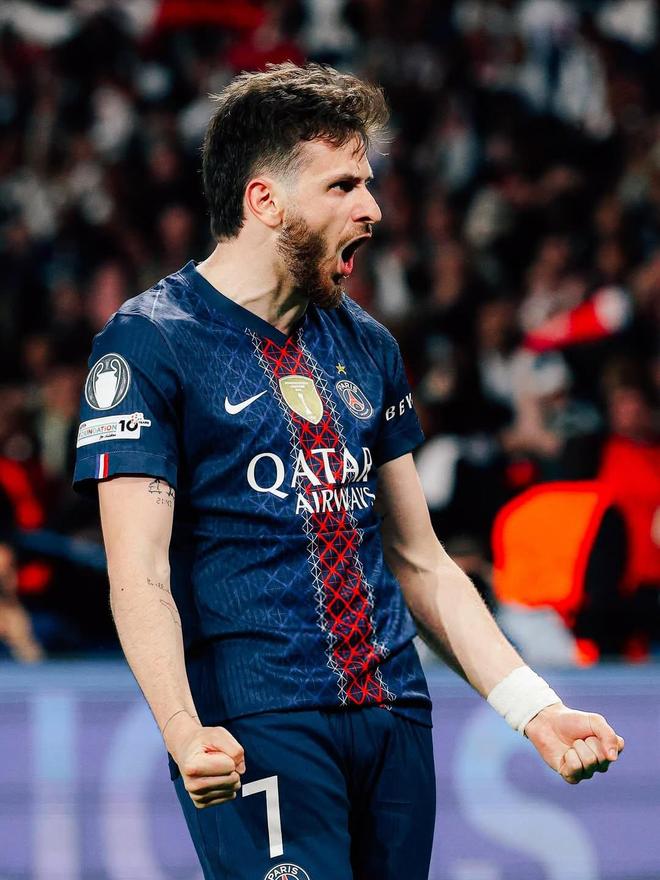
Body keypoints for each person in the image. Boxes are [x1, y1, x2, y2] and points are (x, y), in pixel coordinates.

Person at [73, 63, 624, 880]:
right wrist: (183, 728)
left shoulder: (368, 344)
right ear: (265, 201)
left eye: (367, 182)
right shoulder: (150, 343)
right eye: (343, 186)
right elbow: (139, 573)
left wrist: (534, 709)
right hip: (259, 720)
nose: (372, 208)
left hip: (395, 716)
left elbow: (420, 560)